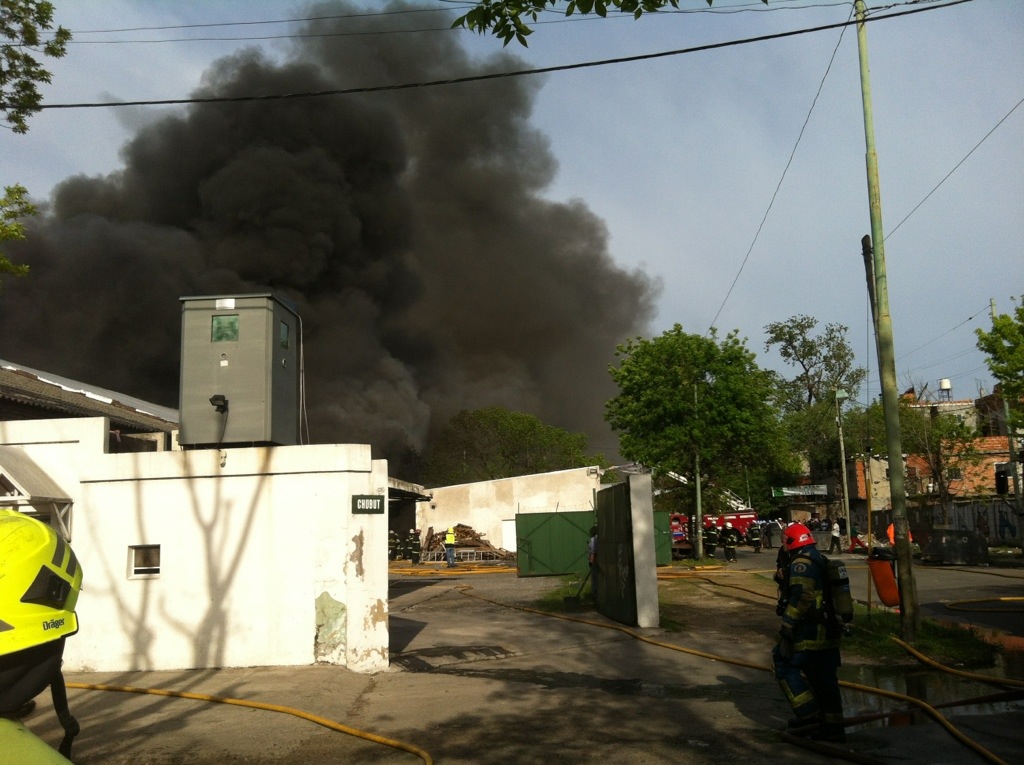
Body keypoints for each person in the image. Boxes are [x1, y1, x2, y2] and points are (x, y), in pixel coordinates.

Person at [772, 522, 846, 743]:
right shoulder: (818, 558)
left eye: (784, 542)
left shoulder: (801, 564)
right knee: (824, 681)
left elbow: (802, 597)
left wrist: (787, 624)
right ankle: (833, 727)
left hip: (810, 632)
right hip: (829, 631)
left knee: (783, 662)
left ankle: (808, 715)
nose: (783, 547)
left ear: (790, 542)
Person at [587, 525, 599, 601]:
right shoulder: (599, 538)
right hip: (599, 561)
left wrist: (591, 562)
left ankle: (594, 596)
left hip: (595, 562)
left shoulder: (593, 540)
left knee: (594, 579)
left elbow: (592, 552)